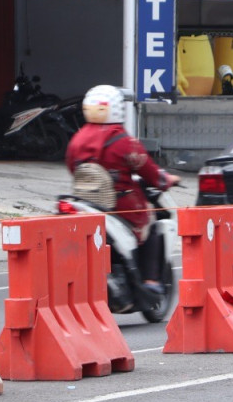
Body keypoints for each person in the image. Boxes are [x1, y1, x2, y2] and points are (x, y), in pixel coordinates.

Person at [65, 84, 180, 290]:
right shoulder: (124, 142)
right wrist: (167, 180)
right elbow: (151, 173)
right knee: (153, 223)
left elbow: (72, 168)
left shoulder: (77, 140)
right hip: (122, 205)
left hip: (85, 202)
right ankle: (151, 281)